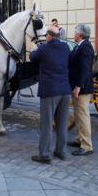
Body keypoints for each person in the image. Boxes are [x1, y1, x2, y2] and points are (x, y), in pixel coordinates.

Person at [29, 25, 71, 164]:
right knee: (62, 123)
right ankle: (61, 151)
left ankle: (45, 154)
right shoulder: (65, 47)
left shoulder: (44, 48)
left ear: (49, 36)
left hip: (50, 91)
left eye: (46, 35)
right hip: (65, 91)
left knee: (46, 124)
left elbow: (32, 57)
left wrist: (37, 47)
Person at [68, 24, 94, 156]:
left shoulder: (86, 47)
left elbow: (84, 70)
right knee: (78, 115)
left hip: (82, 88)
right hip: (77, 87)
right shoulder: (80, 45)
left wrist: (78, 87)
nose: (74, 34)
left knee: (83, 116)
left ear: (79, 34)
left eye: (75, 32)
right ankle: (80, 139)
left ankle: (87, 145)